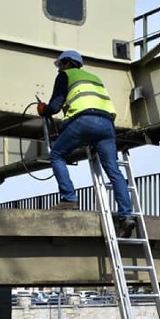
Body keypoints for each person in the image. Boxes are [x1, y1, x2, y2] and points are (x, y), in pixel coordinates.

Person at [37, 49, 135, 237]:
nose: (58, 69)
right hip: (106, 124)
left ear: (67, 63)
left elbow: (55, 106)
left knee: (57, 155)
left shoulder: (65, 76)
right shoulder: (94, 78)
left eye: (60, 65)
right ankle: (126, 216)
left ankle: (69, 198)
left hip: (83, 121)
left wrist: (44, 109)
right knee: (113, 171)